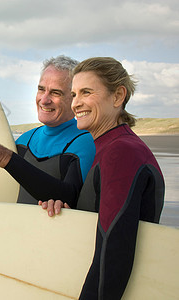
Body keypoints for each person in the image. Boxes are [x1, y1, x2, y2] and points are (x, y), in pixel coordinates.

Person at [43, 57, 165, 299]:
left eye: (86, 92)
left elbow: (114, 250)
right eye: (74, 94)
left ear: (118, 96)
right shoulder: (113, 147)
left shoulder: (121, 152)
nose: (76, 103)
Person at [0, 55, 96, 209]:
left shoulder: (86, 142)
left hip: (54, 232)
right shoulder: (26, 140)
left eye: (55, 93)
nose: (44, 100)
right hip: (17, 230)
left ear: (74, 98)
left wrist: (4, 157)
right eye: (41, 89)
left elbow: (71, 197)